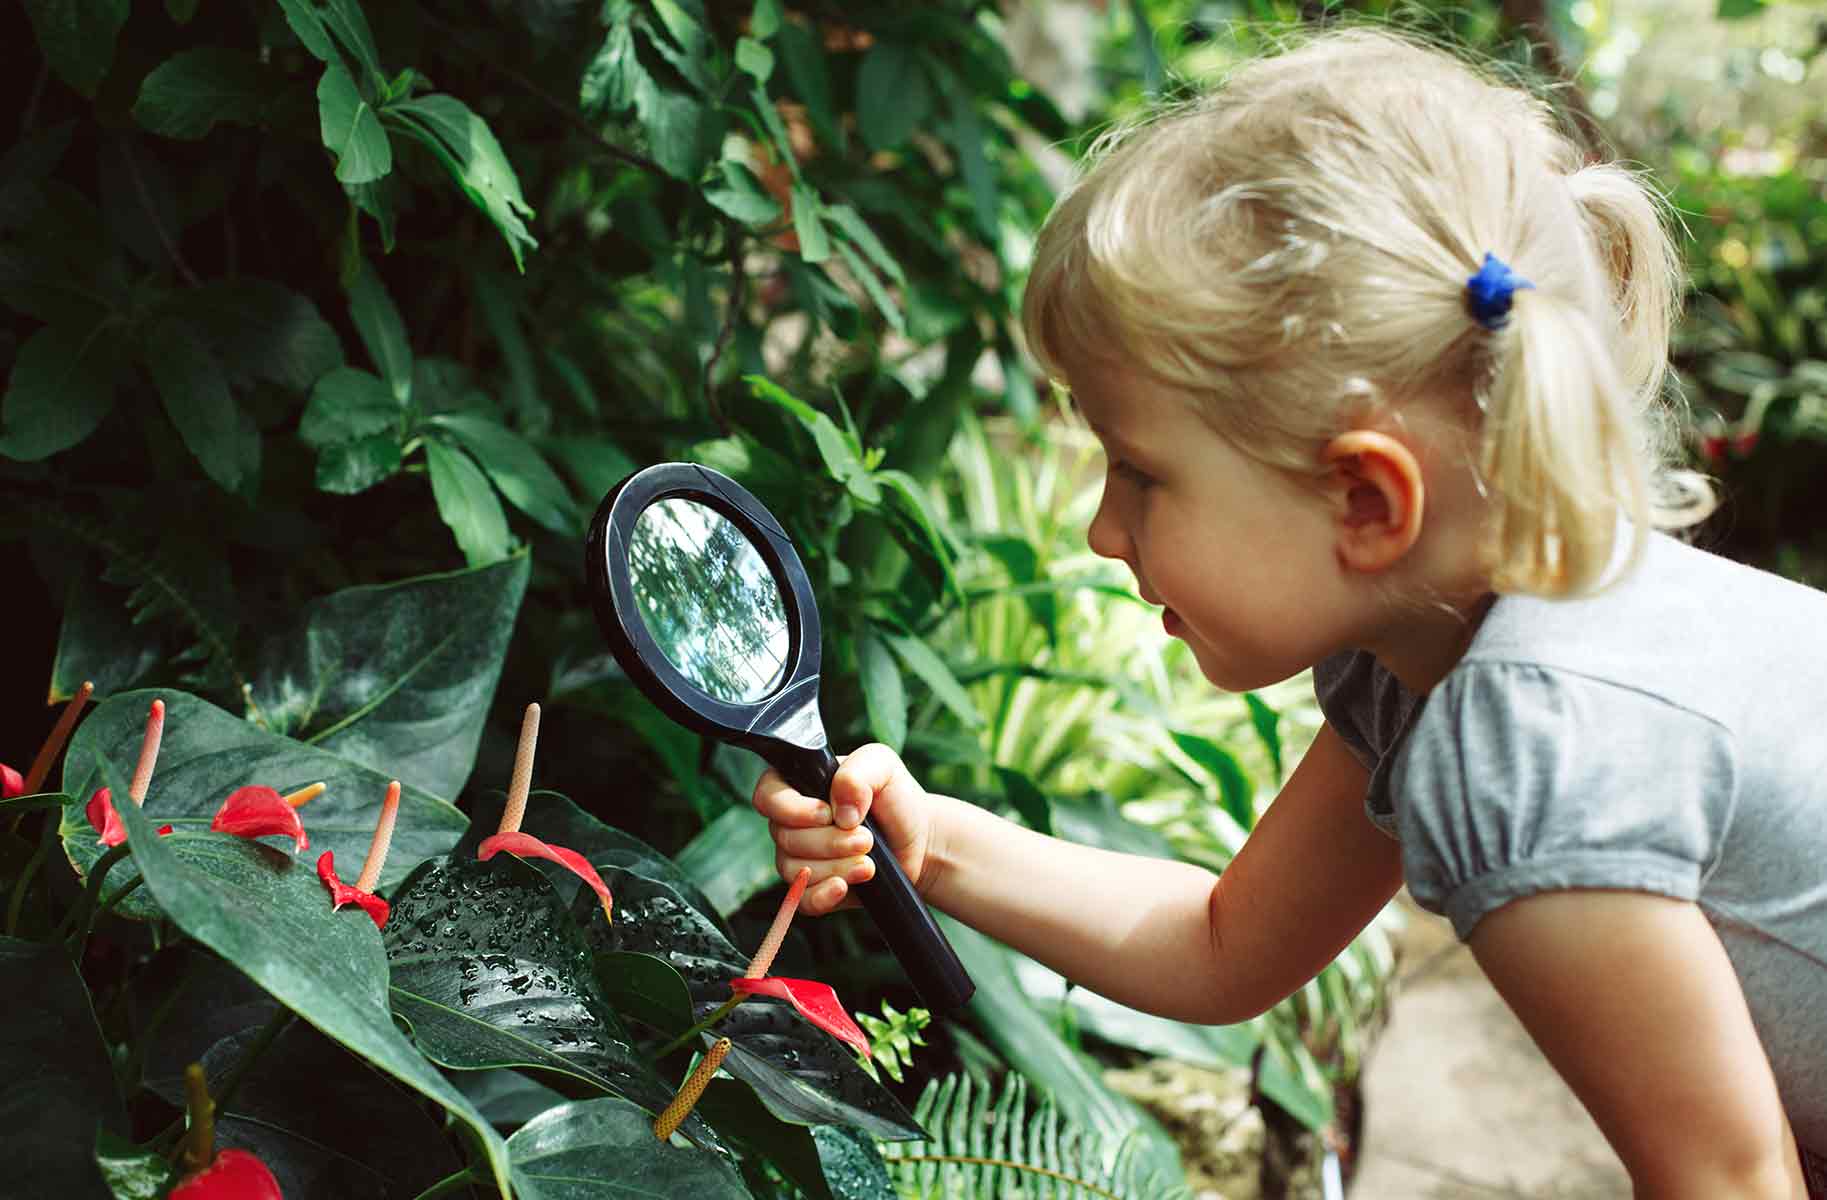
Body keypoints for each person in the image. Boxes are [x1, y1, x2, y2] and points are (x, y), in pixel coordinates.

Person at [751, 26, 1827, 1198]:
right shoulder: (1443, 652)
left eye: (1142, 473)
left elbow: (1729, 1180)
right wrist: (934, 840)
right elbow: (1225, 945)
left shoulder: (1532, 738)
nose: (1103, 532)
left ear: (1366, 500)